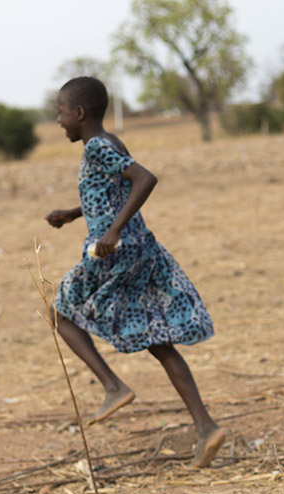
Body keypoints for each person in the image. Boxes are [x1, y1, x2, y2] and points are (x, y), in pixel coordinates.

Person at [44, 76, 225, 467]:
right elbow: (114, 193)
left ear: (78, 113)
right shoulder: (110, 142)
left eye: (60, 112)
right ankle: (206, 428)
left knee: (58, 312)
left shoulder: (96, 147)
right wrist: (73, 214)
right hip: (138, 247)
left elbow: (145, 179)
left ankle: (113, 386)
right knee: (157, 339)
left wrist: (111, 231)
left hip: (116, 252)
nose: (58, 121)